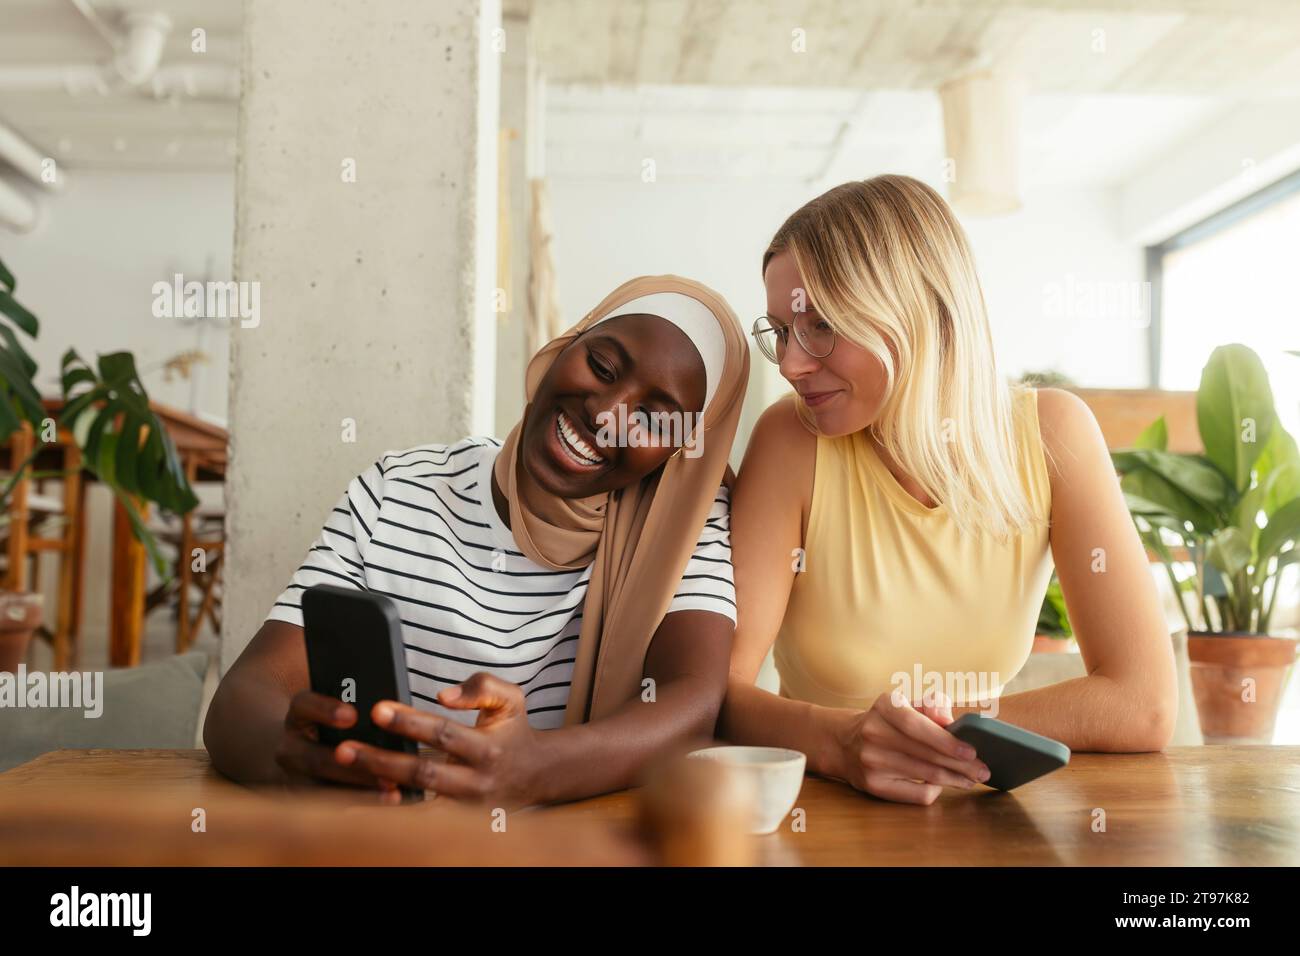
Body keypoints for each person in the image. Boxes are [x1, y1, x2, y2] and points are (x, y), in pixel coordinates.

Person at [205, 275, 749, 808]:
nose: (608, 415)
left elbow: (692, 703)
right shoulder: (399, 490)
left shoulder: (681, 534)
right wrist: (302, 763)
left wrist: (537, 768)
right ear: (564, 347)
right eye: (602, 366)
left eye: (655, 419)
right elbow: (246, 694)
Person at [720, 176, 1178, 805]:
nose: (792, 364)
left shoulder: (1052, 432)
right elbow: (718, 691)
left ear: (920, 309)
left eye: (821, 324)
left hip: (982, 822)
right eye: (780, 331)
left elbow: (1143, 702)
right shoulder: (791, 440)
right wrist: (848, 745)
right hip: (822, 817)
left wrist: (932, 738)